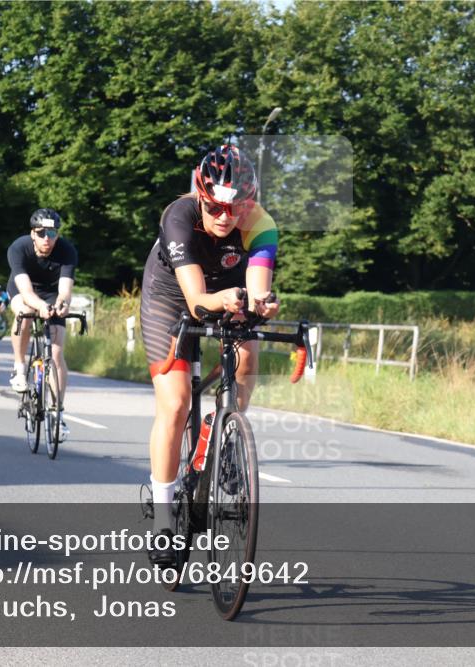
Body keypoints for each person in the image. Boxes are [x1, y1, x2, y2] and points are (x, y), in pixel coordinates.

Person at [140, 145, 280, 565]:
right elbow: (198, 300)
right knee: (177, 402)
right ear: (200, 196)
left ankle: (223, 431)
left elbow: (257, 287)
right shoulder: (178, 217)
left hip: (229, 292)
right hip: (173, 295)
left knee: (248, 358)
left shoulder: (261, 224)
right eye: (216, 207)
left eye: (236, 207)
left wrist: (263, 303)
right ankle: (164, 520)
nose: (225, 217)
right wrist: (225, 299)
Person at [7, 208, 78, 440]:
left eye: (52, 233)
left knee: (56, 354)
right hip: (24, 290)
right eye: (41, 233)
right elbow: (26, 292)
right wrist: (39, 307)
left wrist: (62, 304)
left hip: (50, 293)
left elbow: (65, 290)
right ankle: (19, 368)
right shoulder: (19, 248)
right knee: (25, 312)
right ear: (32, 233)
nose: (47, 238)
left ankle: (57, 413)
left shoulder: (66, 250)